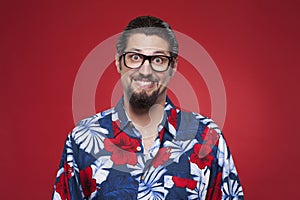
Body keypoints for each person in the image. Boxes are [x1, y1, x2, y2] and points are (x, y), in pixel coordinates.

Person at [52, 16, 244, 200]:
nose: (145, 71)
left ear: (173, 66)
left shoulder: (207, 139)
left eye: (158, 60)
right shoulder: (82, 139)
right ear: (119, 62)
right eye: (135, 57)